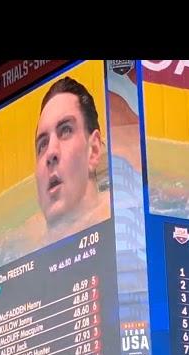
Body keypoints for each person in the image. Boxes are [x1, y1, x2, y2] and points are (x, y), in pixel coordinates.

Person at [34, 76, 110, 242]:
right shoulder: (25, 240)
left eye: (66, 130)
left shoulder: (124, 213)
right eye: (42, 144)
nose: (50, 153)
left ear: (94, 150)